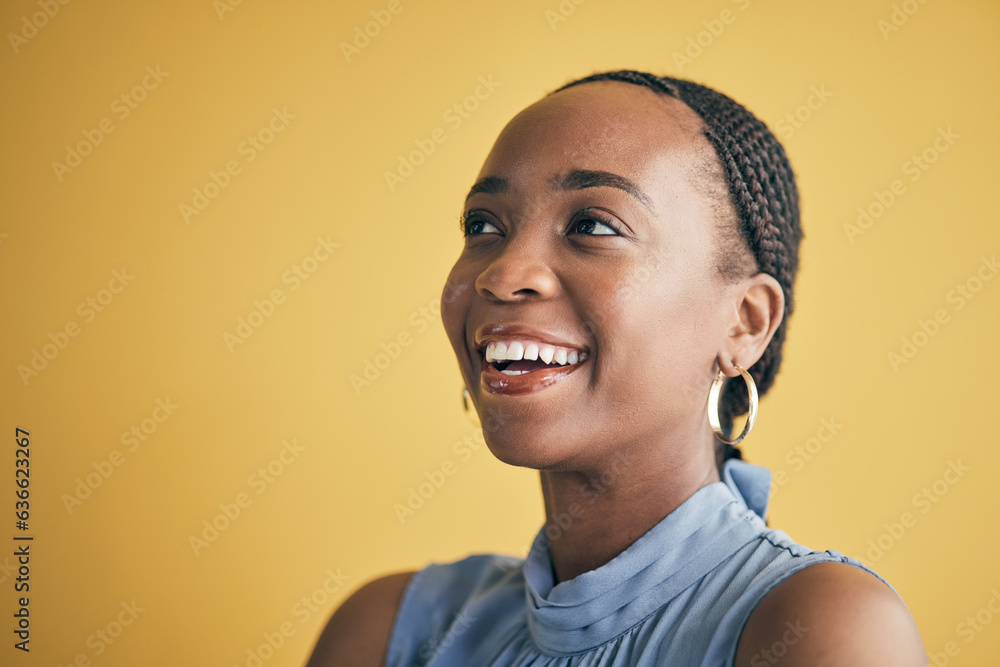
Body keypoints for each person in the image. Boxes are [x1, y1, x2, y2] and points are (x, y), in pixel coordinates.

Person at [306, 70, 927, 666]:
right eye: (483, 225)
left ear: (744, 323)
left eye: (592, 225)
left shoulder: (813, 625)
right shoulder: (392, 631)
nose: (503, 274)